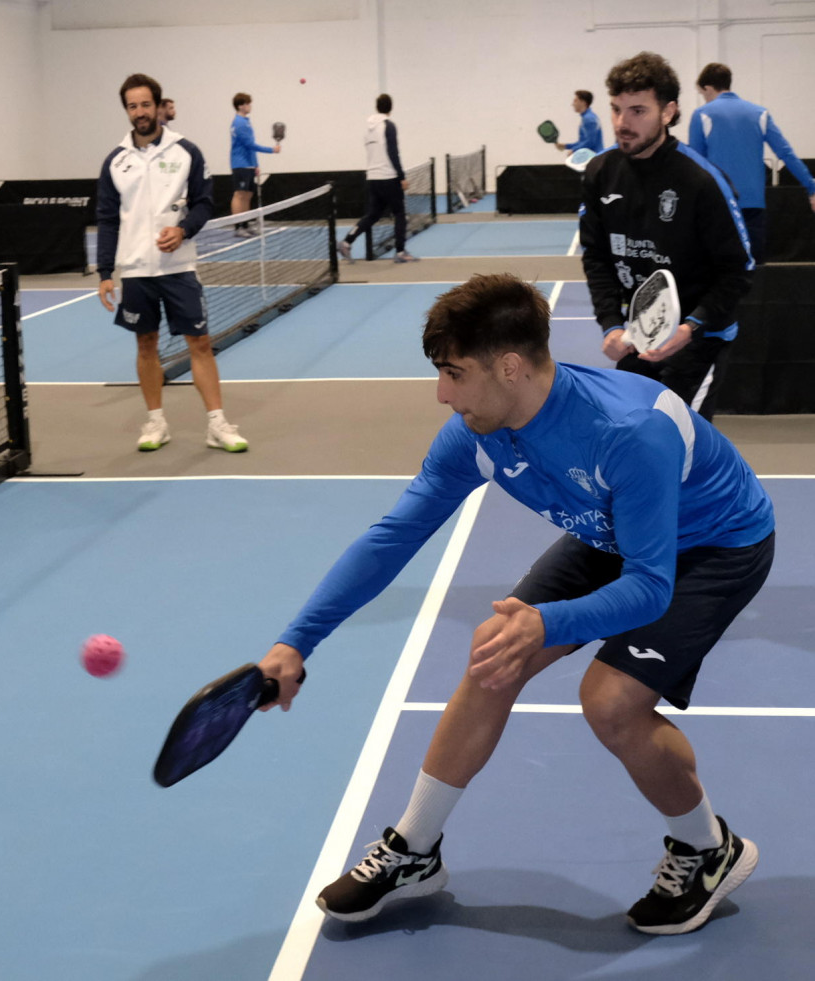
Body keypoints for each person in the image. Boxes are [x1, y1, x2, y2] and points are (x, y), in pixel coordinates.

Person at [258, 272, 774, 935]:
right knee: (492, 656)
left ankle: (708, 848)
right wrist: (296, 639)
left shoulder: (629, 430)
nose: (441, 393)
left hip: (712, 545)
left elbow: (650, 585)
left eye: (452, 373)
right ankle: (414, 850)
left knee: (611, 701)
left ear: (508, 366)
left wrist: (547, 620)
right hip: (607, 526)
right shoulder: (475, 432)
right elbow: (392, 537)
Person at [579, 51, 754, 422]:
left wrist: (690, 328)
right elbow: (596, 256)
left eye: (638, 111)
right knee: (630, 437)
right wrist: (611, 323)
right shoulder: (599, 172)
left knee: (677, 446)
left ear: (669, 112)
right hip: (638, 336)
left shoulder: (702, 182)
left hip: (700, 341)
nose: (622, 123)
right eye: (616, 109)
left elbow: (738, 271)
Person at [96, 73, 248, 454]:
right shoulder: (115, 161)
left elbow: (203, 203)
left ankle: (217, 423)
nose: (140, 112)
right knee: (146, 344)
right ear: (126, 111)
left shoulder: (187, 152)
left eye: (146, 104)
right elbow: (107, 218)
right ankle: (156, 421)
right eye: (132, 106)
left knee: (200, 342)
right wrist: (104, 272)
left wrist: (183, 231)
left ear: (159, 106)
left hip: (179, 267)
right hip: (135, 271)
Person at [688, 62, 815, 265]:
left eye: (702, 93)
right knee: (754, 271)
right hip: (753, 204)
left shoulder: (702, 114)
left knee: (719, 269)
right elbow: (786, 153)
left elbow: (695, 163)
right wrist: (811, 187)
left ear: (708, 88)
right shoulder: (760, 114)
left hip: (718, 205)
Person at [338, 94, 419, 264]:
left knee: (373, 215)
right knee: (400, 214)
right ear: (391, 107)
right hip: (388, 177)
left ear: (377, 107)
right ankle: (400, 251)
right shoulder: (388, 126)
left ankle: (346, 242)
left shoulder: (368, 129)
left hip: (373, 178)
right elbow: (392, 152)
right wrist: (401, 176)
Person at [229, 92, 279, 238]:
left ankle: (245, 224)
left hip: (248, 165)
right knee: (239, 195)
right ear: (240, 106)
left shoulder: (246, 121)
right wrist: (272, 150)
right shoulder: (239, 123)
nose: (250, 106)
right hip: (240, 164)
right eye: (247, 103)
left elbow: (249, 147)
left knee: (248, 195)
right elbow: (250, 144)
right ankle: (238, 227)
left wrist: (255, 165)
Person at [555, 89, 604, 155]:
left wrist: (574, 150)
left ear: (583, 102)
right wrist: (566, 146)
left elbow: (590, 142)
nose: (572, 104)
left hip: (593, 158)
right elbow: (583, 142)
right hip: (593, 157)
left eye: (575, 100)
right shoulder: (589, 117)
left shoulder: (589, 119)